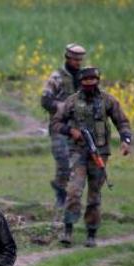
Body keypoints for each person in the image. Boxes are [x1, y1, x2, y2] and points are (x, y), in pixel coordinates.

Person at [50, 66, 133, 247]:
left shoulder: (107, 101)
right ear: (81, 82)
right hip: (77, 153)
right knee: (74, 191)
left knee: (94, 196)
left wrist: (126, 140)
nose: (89, 84)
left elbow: (122, 121)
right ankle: (68, 230)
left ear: (97, 81)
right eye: (86, 81)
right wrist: (71, 131)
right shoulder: (71, 102)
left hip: (100, 153)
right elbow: (55, 123)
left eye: (92, 80)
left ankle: (91, 233)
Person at [41, 43, 86, 209]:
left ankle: (71, 197)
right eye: (75, 59)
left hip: (78, 128)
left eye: (80, 60)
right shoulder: (56, 77)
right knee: (63, 161)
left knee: (79, 165)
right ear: (67, 58)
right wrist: (62, 107)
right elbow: (45, 101)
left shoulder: (84, 78)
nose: (78, 63)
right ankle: (60, 193)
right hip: (59, 127)